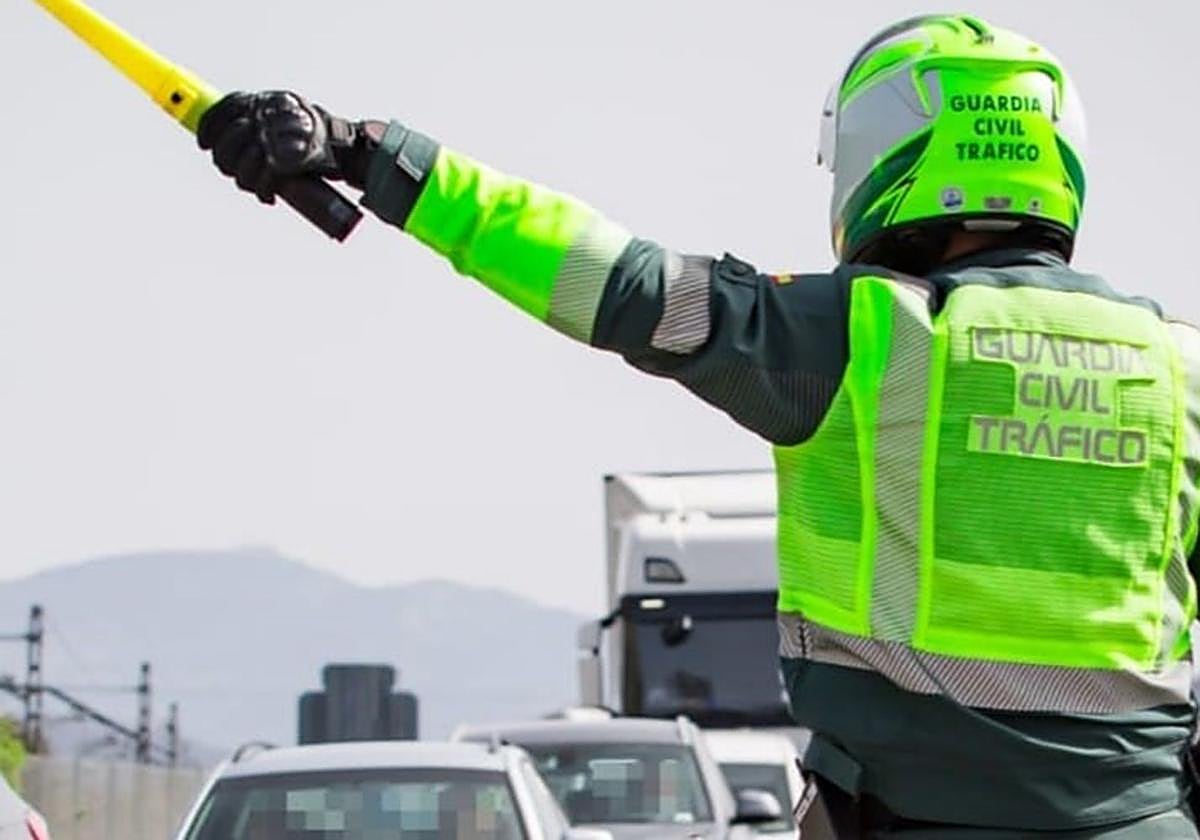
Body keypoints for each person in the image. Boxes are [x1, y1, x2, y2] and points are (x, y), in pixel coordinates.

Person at [197, 14, 1200, 838]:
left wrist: (364, 151)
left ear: (879, 154)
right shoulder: (1179, 368)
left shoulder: (856, 337)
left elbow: (609, 278)